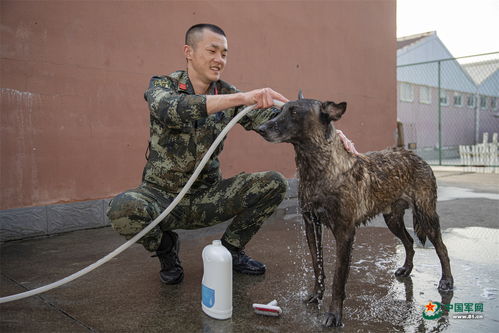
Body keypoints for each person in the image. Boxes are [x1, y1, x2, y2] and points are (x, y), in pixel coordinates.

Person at [107, 23, 290, 284]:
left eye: (224, 54)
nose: (219, 60)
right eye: (212, 51)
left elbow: (273, 121)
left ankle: (231, 251)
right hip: (162, 198)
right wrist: (240, 98)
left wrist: (319, 123)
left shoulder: (229, 93)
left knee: (274, 183)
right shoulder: (163, 84)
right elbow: (174, 108)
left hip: (207, 197)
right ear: (189, 52)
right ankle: (166, 248)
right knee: (123, 208)